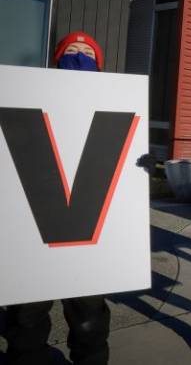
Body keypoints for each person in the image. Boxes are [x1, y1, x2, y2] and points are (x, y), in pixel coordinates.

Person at [4, 32, 110, 365]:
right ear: (56, 60)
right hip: (36, 227)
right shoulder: (28, 100)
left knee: (89, 316)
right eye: (72, 51)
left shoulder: (112, 106)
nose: (79, 56)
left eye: (86, 52)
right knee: (26, 316)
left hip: (84, 230)